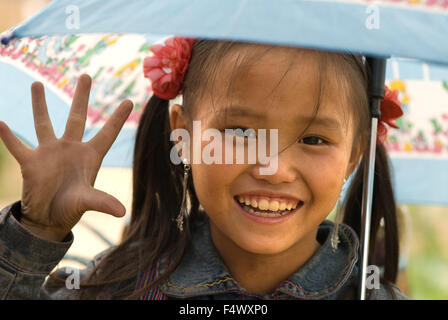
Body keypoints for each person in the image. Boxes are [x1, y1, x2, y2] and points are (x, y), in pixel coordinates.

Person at [0, 38, 408, 300]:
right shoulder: (113, 287)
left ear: (355, 154)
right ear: (183, 136)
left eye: (314, 140)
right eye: (240, 132)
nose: (273, 168)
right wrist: (36, 233)